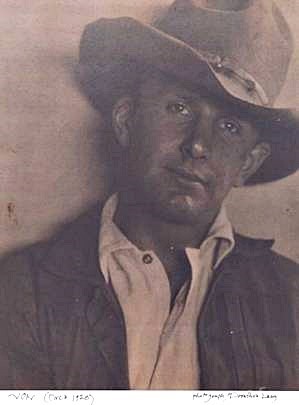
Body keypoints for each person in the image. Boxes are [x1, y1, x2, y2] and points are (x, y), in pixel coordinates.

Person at [0, 0, 298, 390]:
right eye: (179, 107)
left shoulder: (290, 300)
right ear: (126, 121)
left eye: (228, 126)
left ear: (249, 163)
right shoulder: (23, 290)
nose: (198, 146)